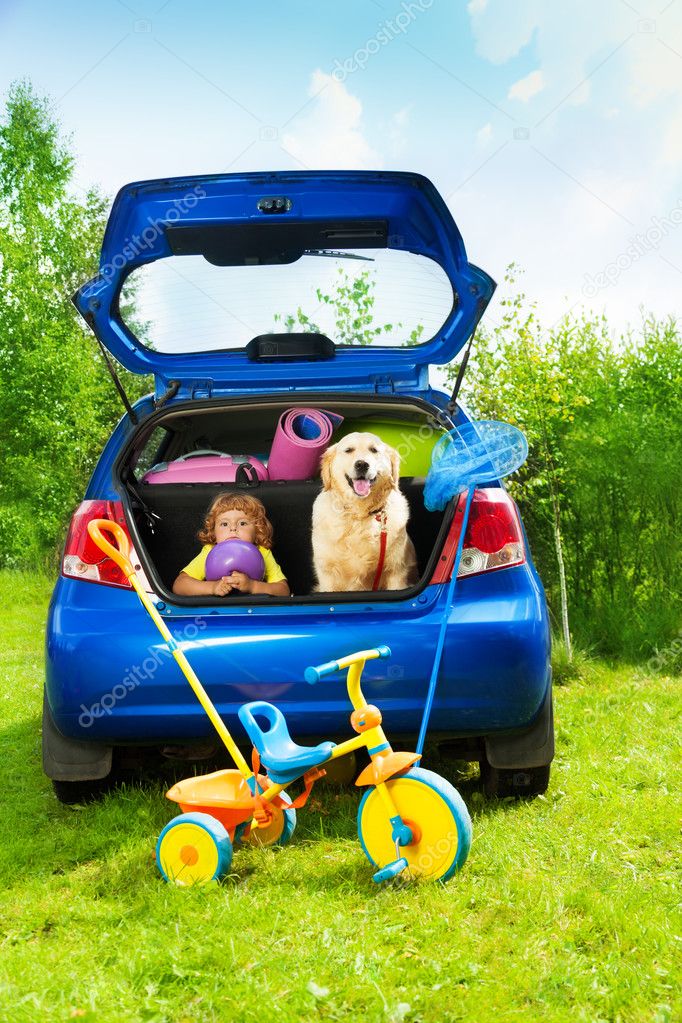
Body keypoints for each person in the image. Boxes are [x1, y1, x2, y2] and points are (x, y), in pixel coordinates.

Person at [172, 492, 290, 597]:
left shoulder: (263, 552)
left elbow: (283, 590)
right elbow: (180, 585)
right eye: (224, 524)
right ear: (214, 532)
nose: (233, 528)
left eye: (242, 523)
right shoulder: (210, 552)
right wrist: (213, 587)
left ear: (257, 530)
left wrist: (253, 586)